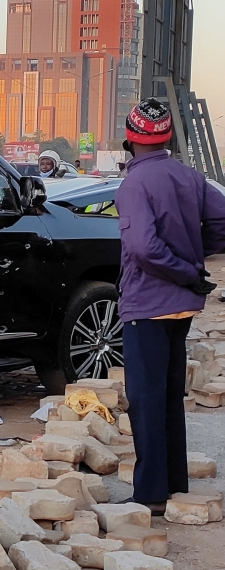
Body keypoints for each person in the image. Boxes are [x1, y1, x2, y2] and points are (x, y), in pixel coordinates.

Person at [117, 97, 225, 514]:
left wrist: (183, 270)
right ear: (166, 138)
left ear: (130, 138)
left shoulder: (133, 184)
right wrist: (195, 262)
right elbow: (220, 222)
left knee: (145, 400)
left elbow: (143, 247)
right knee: (166, 397)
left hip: (147, 305)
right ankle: (173, 482)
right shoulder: (189, 175)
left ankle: (149, 495)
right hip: (181, 306)